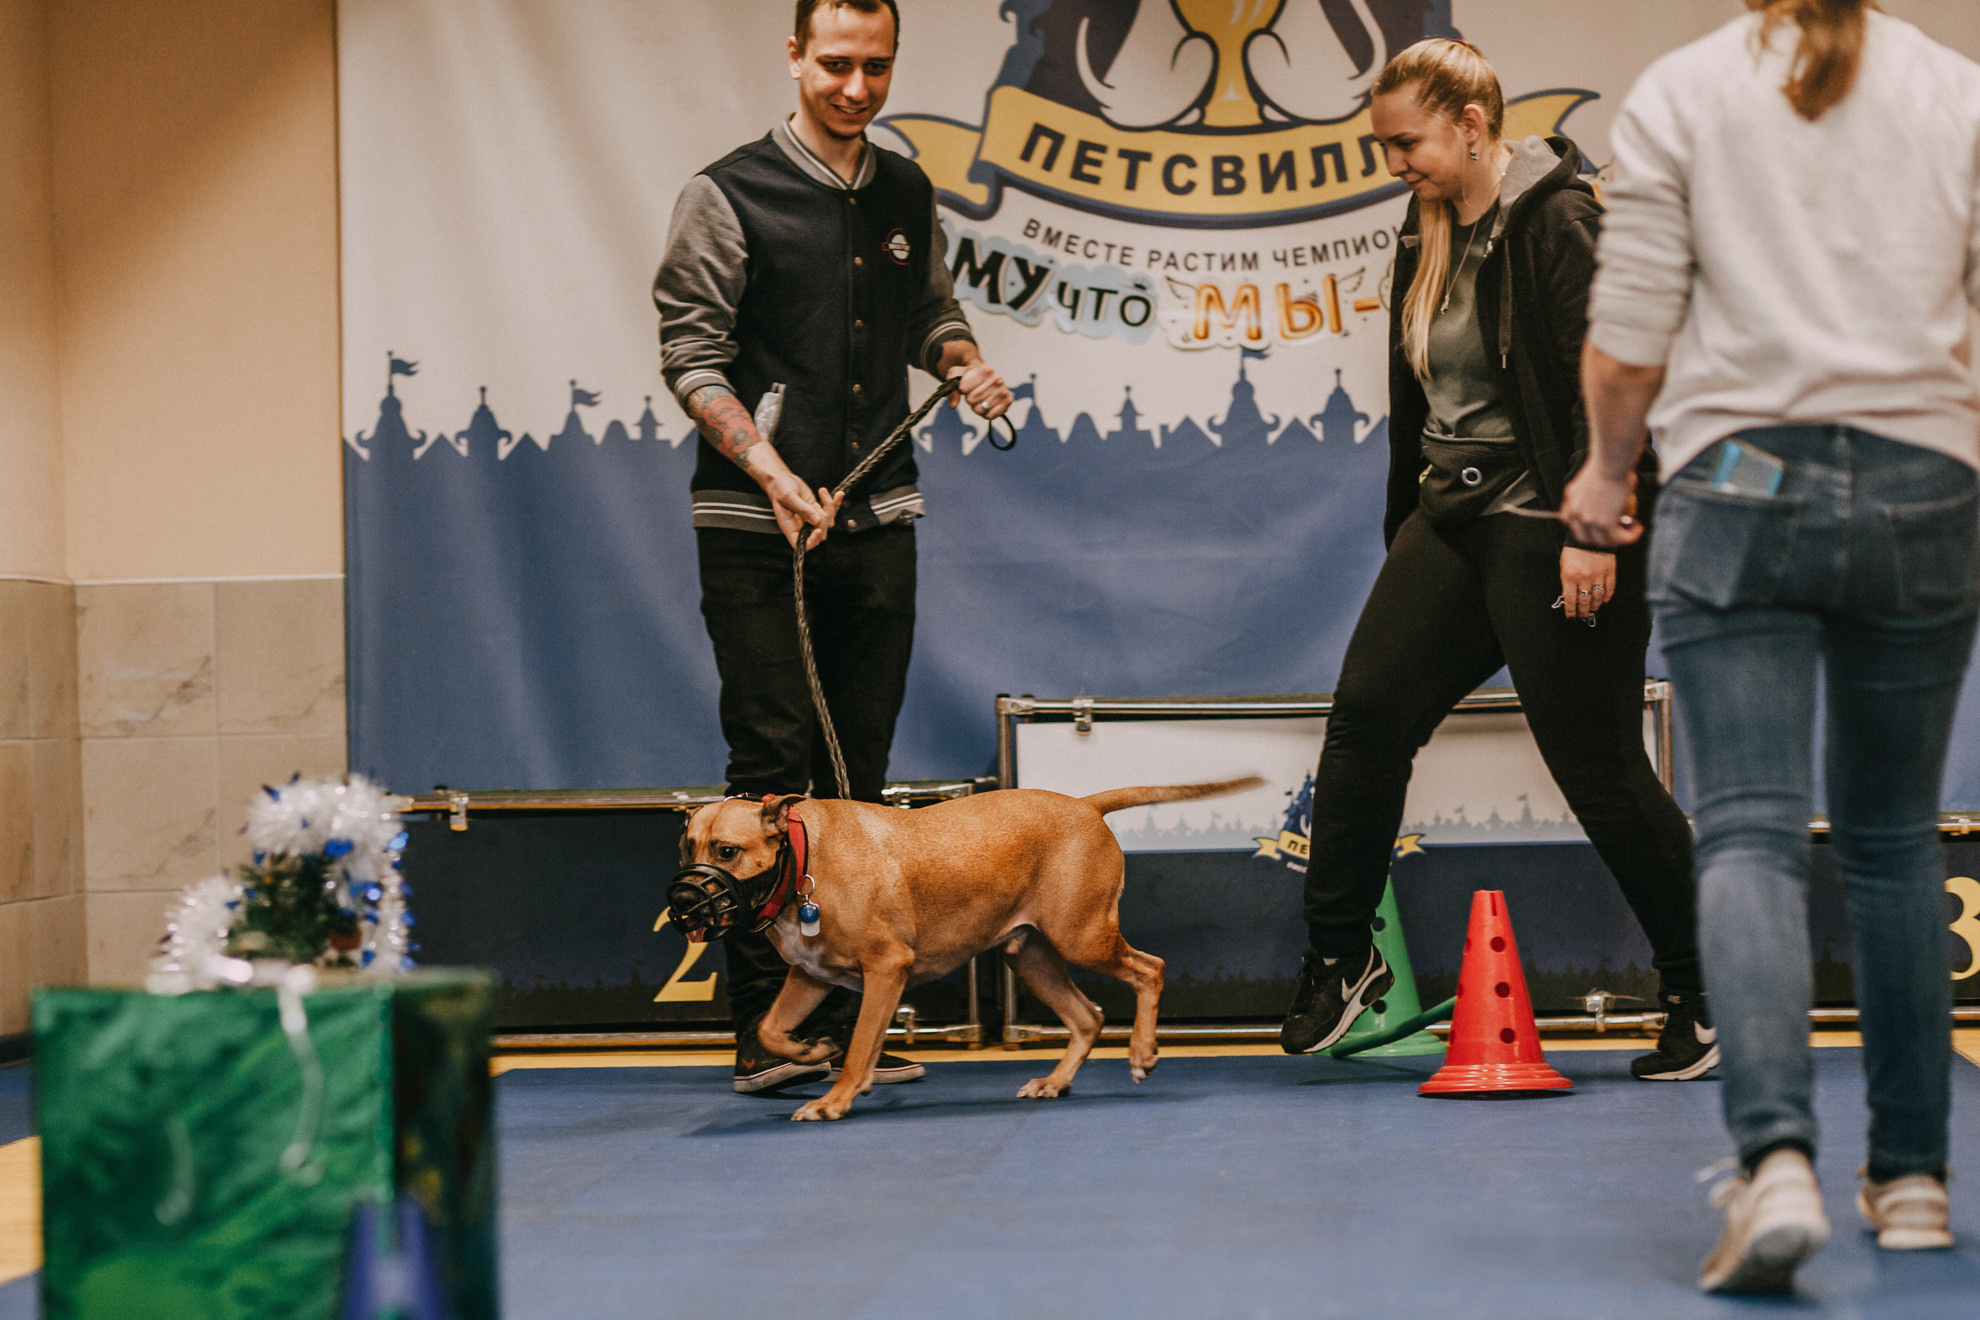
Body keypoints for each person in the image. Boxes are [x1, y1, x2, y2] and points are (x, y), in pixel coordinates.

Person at [1564, 0, 1980, 1294]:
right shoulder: (1960, 90)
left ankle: (1777, 1164)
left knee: (1747, 830)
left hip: (1739, 477)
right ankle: (1912, 1182)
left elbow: (1629, 341)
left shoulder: (1683, 91)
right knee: (1895, 842)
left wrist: (1603, 475)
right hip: (1928, 481)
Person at [1277, 39, 1710, 1082]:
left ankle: (1709, 988)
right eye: (1384, 147)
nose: (1395, 164)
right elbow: (1418, 396)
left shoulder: (1560, 219)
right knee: (1367, 719)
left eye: (1408, 143)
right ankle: (1341, 960)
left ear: (1472, 124)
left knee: (1599, 768)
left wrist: (1595, 531)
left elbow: (1609, 383)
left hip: (1555, 518)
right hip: (1454, 517)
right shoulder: (1424, 226)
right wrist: (1407, 532)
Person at [654, 0, 1012, 1094]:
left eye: (877, 67)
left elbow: (930, 314)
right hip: (755, 526)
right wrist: (769, 470)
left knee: (856, 787)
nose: (857, 88)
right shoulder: (726, 193)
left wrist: (961, 361)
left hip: (875, 519)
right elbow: (691, 355)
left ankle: (858, 1021)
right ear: (796, 56)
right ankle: (764, 1035)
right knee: (770, 777)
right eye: (837, 64)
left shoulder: (905, 189)